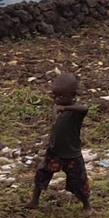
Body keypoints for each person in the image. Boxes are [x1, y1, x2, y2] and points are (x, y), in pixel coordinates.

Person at [31, 71, 91, 210]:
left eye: (62, 96)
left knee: (79, 181)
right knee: (42, 174)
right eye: (55, 95)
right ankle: (34, 201)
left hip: (71, 153)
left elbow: (84, 108)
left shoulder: (75, 111)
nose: (57, 99)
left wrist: (66, 108)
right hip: (55, 150)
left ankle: (87, 206)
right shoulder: (56, 107)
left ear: (73, 95)